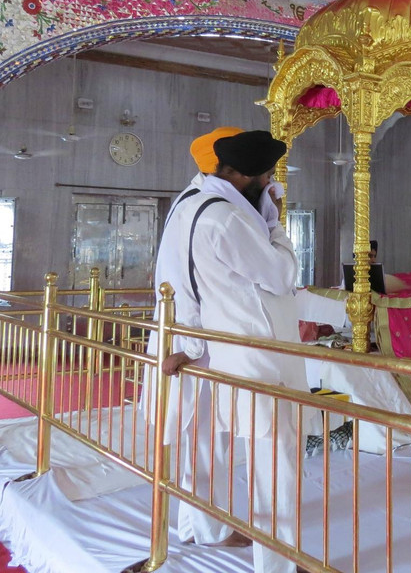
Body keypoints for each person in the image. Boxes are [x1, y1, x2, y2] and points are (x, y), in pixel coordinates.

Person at [159, 130, 303, 573]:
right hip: (254, 353)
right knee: (275, 457)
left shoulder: (196, 203)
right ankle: (280, 562)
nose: (271, 182)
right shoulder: (226, 219)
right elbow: (281, 275)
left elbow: (184, 282)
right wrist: (275, 224)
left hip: (218, 345)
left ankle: (203, 526)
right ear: (243, 175)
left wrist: (189, 343)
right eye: (267, 175)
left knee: (208, 440)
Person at [144, 126, 245, 547]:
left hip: (189, 336)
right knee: (206, 437)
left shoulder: (191, 200)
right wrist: (191, 347)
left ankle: (194, 524)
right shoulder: (204, 208)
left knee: (199, 436)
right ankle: (210, 529)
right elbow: (183, 284)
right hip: (192, 341)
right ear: (230, 169)